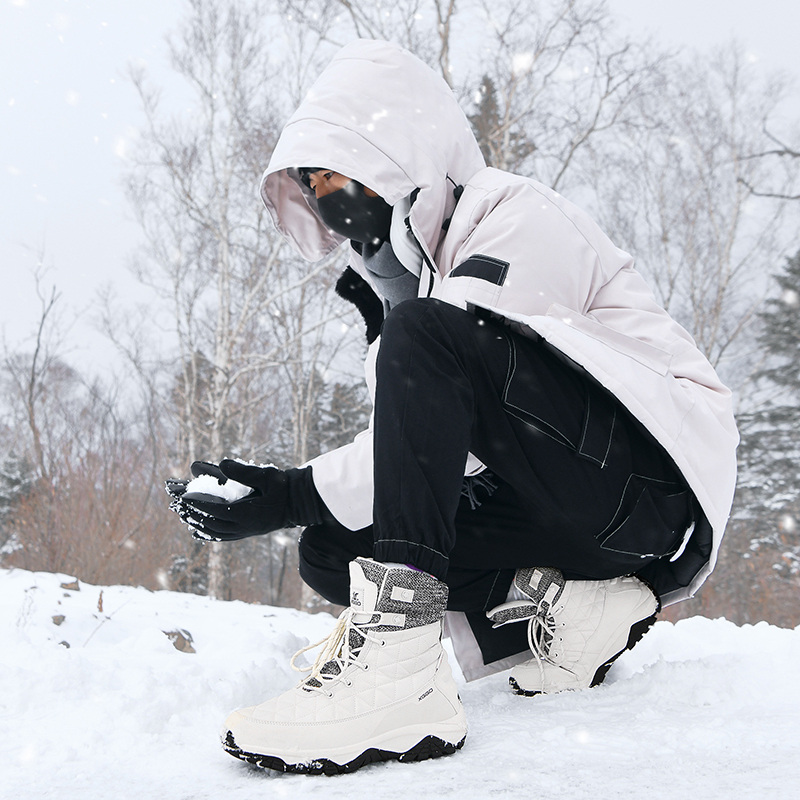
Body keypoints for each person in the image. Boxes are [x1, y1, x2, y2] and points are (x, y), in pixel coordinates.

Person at [166, 39, 738, 775]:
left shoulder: (512, 214)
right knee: (335, 549)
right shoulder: (428, 291)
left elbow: (460, 422)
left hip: (651, 488)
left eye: (344, 175)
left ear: (402, 154)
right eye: (317, 185)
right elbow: (417, 461)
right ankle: (567, 612)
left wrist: (291, 491)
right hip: (566, 501)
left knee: (421, 349)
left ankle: (400, 673)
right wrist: (389, 315)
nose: (335, 204)